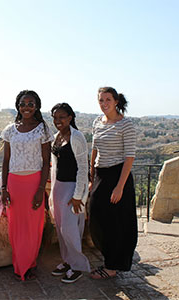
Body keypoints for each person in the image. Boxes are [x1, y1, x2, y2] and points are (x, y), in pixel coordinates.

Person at [0, 90, 53, 281]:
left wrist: (40, 190)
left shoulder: (43, 129)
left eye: (31, 104)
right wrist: (4, 188)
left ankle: (29, 264)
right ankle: (19, 264)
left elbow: (46, 161)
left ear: (37, 106)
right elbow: (6, 160)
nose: (27, 107)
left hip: (33, 183)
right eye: (23, 103)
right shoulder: (9, 130)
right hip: (14, 183)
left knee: (33, 226)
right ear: (18, 106)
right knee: (16, 226)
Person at [89, 87, 138, 280]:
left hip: (119, 176)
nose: (104, 104)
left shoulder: (126, 125)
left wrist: (120, 186)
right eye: (101, 100)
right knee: (96, 220)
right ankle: (108, 258)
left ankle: (111, 266)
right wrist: (92, 177)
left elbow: (129, 157)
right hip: (101, 175)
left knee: (116, 224)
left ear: (116, 101)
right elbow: (94, 150)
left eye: (108, 99)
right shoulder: (96, 122)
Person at [48, 103, 90, 284]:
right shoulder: (58, 136)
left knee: (70, 229)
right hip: (59, 187)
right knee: (60, 228)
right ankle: (68, 261)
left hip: (72, 188)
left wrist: (78, 196)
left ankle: (79, 265)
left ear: (70, 117)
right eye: (55, 118)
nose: (58, 121)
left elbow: (83, 168)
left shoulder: (77, 136)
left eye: (62, 117)